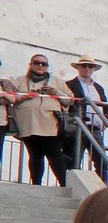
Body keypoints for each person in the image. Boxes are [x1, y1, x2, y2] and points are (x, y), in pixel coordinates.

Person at [12, 54, 72, 186]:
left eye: (44, 64)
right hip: (28, 125)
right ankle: (36, 184)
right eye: (37, 62)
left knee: (54, 154)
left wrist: (55, 91)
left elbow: (69, 101)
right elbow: (12, 98)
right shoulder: (20, 80)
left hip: (50, 125)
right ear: (30, 64)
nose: (40, 65)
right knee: (35, 154)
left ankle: (64, 185)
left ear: (47, 67)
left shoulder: (56, 81)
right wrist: (28, 95)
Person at [64, 56, 108, 180]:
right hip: (77, 127)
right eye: (84, 65)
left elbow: (105, 106)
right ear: (78, 67)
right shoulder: (69, 85)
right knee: (74, 161)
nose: (87, 68)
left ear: (94, 69)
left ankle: (103, 190)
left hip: (95, 128)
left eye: (90, 66)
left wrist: (105, 121)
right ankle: (71, 187)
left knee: (102, 162)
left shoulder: (99, 88)